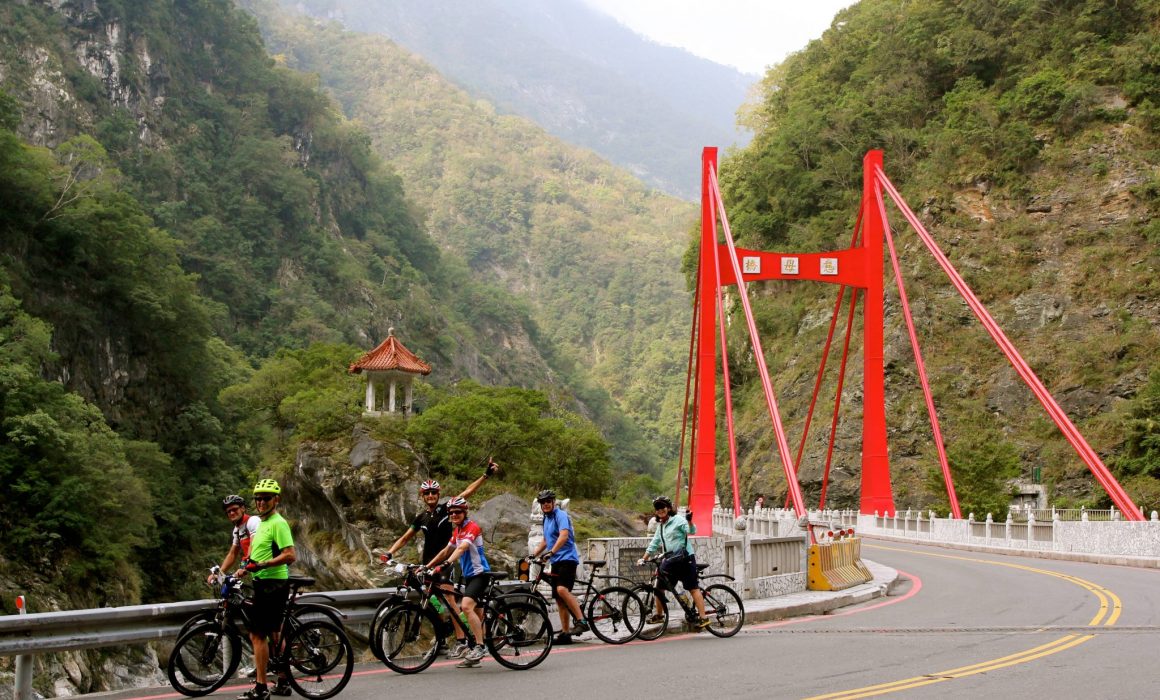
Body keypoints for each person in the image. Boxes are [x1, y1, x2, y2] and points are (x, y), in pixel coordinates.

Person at [381, 460, 498, 657]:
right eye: (427, 493)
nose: (431, 496)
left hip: (446, 563)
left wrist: (485, 475)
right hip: (429, 563)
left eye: (434, 492)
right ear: (422, 496)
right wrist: (389, 553)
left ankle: (461, 640)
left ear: (438, 494)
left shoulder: (449, 509)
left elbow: (467, 493)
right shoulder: (421, 518)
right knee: (432, 602)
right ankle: (443, 637)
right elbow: (405, 538)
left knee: (450, 602)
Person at [236, 479, 296, 700]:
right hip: (263, 583)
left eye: (266, 498)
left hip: (273, 584)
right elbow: (253, 555)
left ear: (276, 500)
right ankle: (282, 680)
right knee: (274, 633)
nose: (261, 502)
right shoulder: (262, 523)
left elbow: (290, 555)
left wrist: (263, 565)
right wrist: (242, 569)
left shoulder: (278, 523)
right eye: (258, 498)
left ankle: (261, 688)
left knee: (257, 635)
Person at [424, 497, 490, 668]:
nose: (454, 515)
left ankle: (480, 647)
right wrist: (426, 566)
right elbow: (445, 551)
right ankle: (475, 650)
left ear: (464, 512)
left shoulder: (472, 527)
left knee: (466, 607)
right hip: (469, 576)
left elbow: (461, 549)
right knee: (477, 613)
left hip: (480, 574)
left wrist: (447, 563)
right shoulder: (458, 531)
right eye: (451, 512)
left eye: (457, 512)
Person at [637, 496, 710, 630]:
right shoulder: (661, 525)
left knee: (693, 588)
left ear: (669, 508)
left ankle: (703, 617)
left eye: (662, 507)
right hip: (670, 560)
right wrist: (644, 558)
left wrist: (689, 521)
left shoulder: (678, 520)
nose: (660, 510)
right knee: (659, 587)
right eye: (657, 508)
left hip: (685, 559)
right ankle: (659, 615)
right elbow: (654, 543)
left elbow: (691, 531)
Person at [529, 489, 589, 645]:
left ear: (553, 502)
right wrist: (534, 555)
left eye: (548, 502)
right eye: (543, 502)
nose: (546, 505)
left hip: (568, 559)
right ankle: (565, 633)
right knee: (559, 599)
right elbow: (545, 540)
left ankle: (581, 621)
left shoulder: (560, 515)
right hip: (556, 561)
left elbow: (564, 535)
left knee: (562, 590)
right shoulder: (546, 518)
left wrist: (551, 552)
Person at [207, 495, 260, 586]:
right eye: (228, 511)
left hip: (270, 572)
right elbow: (232, 554)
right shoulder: (237, 530)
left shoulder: (253, 521)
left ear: (243, 508)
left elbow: (255, 545)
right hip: (257, 573)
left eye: (234, 509)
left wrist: (243, 567)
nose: (231, 513)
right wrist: (219, 573)